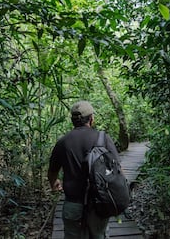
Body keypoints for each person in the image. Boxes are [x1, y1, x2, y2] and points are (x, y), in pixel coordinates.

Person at [48, 100, 120, 239]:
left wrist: (54, 183)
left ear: (72, 121)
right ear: (91, 119)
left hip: (73, 205)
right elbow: (118, 171)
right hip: (99, 204)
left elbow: (52, 172)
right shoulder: (103, 139)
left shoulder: (62, 142)